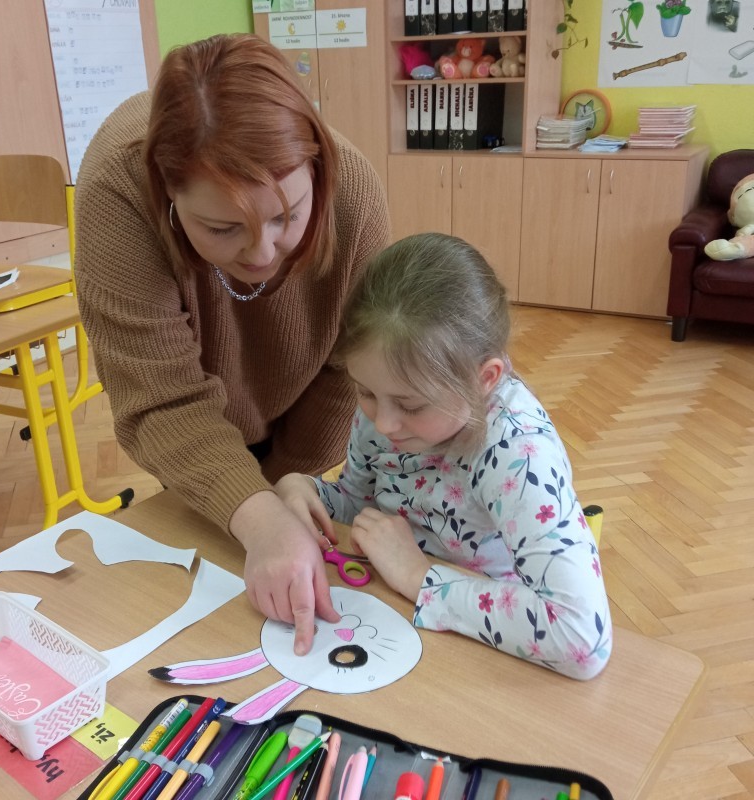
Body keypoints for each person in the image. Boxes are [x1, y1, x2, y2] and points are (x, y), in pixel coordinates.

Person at [74, 33, 390, 656]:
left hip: (296, 426)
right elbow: (162, 403)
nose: (264, 252)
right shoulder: (118, 190)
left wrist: (282, 494)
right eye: (222, 228)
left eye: (287, 216)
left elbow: (344, 371)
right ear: (168, 197)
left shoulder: (353, 194)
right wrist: (254, 514)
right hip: (192, 429)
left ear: (316, 172)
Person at [275, 233, 612, 679]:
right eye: (365, 392)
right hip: (395, 615)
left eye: (412, 406)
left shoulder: (518, 452)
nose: (384, 424)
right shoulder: (389, 400)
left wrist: (418, 577)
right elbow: (360, 505)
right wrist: (306, 490)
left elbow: (581, 638)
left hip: (492, 646)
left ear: (484, 379)